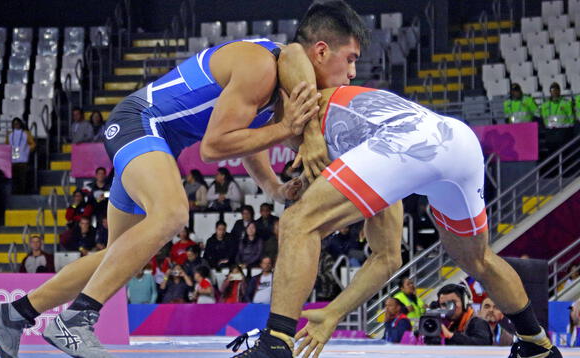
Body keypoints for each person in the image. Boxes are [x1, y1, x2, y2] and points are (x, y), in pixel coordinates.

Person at [0, 0, 354, 353]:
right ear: (320, 51)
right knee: (172, 213)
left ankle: (13, 315)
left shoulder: (279, 88)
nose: (352, 72)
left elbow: (247, 139)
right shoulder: (262, 65)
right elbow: (213, 148)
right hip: (141, 122)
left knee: (117, 258)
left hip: (155, 141)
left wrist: (273, 186)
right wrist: (286, 127)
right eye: (350, 59)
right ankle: (76, 321)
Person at [234, 33, 560, 358]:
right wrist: (333, 313)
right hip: (457, 141)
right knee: (479, 258)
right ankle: (537, 345)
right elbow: (387, 257)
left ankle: (276, 343)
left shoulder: (303, 108)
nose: (297, 166)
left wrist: (304, 143)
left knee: (297, 220)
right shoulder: (370, 161)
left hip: (409, 142)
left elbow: (290, 55)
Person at [6, 117, 35, 195]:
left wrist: (27, 150)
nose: (16, 125)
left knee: (23, 177)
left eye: (17, 123)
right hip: (13, 158)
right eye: (14, 124)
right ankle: (16, 193)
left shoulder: (26, 133)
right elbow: (6, 145)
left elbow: (32, 144)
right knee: (15, 178)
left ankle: (22, 193)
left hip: (23, 158)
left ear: (20, 124)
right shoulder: (10, 134)